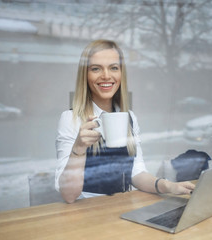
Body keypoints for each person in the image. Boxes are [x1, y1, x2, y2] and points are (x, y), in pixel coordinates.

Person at [55, 39, 194, 203]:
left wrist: (168, 186)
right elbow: (69, 196)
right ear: (85, 75)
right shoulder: (71, 119)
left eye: (113, 68)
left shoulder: (130, 117)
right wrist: (78, 148)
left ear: (121, 73)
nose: (106, 75)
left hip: (123, 207)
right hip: (87, 212)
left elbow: (136, 173)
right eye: (96, 69)